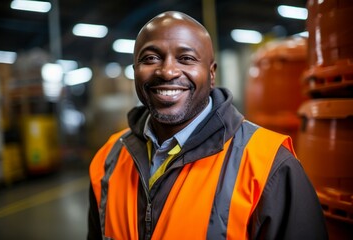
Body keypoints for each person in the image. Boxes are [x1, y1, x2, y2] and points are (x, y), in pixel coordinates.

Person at [88, 11, 328, 240]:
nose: (167, 71)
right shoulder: (109, 158)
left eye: (186, 59)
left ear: (211, 74)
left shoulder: (269, 166)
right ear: (135, 71)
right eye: (151, 58)